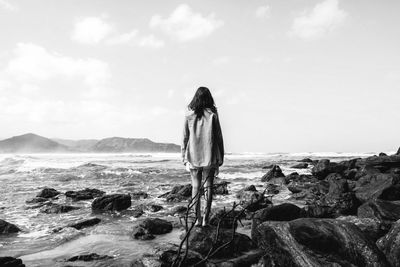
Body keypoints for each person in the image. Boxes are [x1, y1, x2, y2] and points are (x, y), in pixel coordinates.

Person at [181, 86, 224, 227]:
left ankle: (197, 219)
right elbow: (219, 138)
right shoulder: (213, 116)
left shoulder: (189, 117)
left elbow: (184, 139)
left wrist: (183, 158)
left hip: (193, 156)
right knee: (209, 187)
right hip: (210, 156)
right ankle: (206, 218)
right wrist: (221, 158)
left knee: (195, 187)